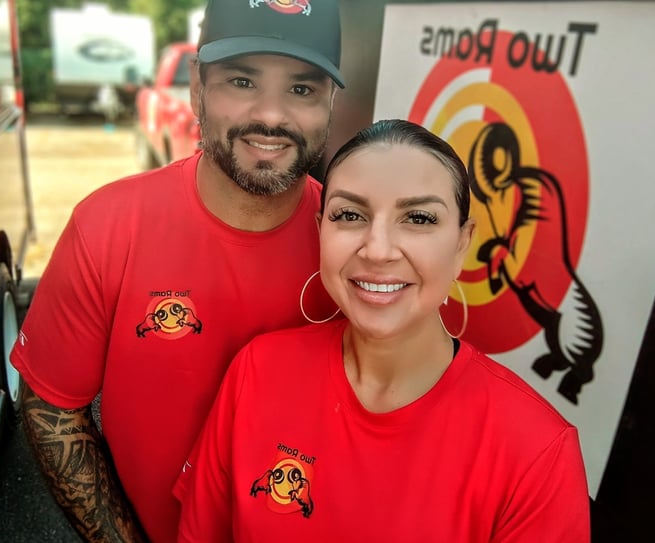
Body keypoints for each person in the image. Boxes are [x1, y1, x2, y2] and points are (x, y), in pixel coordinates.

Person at [10, 0, 345, 541]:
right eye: (242, 81)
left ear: (332, 102)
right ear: (196, 87)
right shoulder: (108, 225)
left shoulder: (354, 251)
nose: (274, 116)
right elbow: (51, 407)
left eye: (302, 89)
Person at [174, 119, 590, 542]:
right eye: (350, 214)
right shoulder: (258, 370)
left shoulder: (536, 453)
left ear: (462, 242)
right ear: (321, 229)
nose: (377, 249)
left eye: (419, 218)